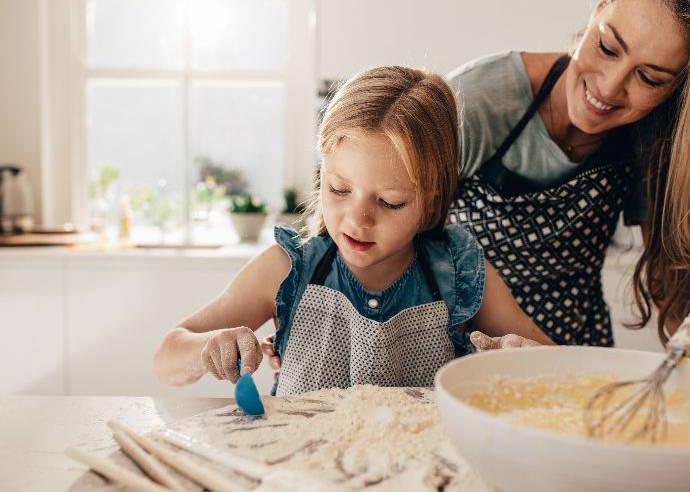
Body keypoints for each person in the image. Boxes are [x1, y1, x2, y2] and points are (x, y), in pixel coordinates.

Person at [153, 66, 553, 395]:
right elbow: (167, 357)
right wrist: (208, 346)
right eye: (339, 189)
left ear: (432, 197)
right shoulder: (287, 267)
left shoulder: (458, 268)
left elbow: (561, 365)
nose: (358, 219)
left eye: (390, 201)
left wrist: (525, 359)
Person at [445, 0, 690, 366]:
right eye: (607, 47)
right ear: (601, 3)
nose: (608, 88)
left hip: (581, 350)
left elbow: (673, 283)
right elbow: (400, 251)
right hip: (476, 355)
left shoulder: (657, 133)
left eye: (649, 78)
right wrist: (556, 365)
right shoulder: (476, 101)